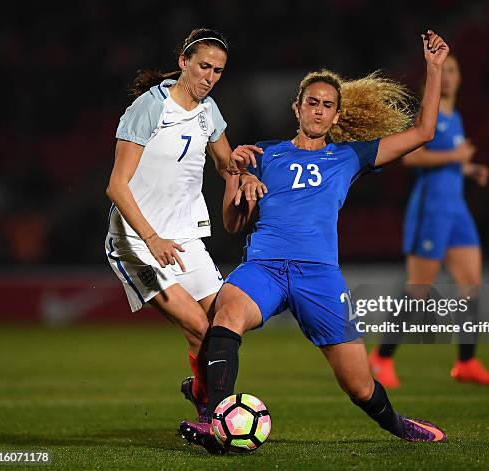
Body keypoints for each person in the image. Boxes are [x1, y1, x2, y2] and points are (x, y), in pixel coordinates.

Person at [178, 31, 451, 454]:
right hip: (265, 267)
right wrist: (239, 185)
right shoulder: (261, 155)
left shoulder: (349, 156)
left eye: (327, 105)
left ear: (337, 115)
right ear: (297, 107)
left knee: (359, 386)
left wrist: (433, 69)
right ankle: (215, 418)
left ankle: (399, 425)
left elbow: (424, 131)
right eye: (312, 102)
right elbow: (232, 224)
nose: (319, 111)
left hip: (319, 276)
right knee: (225, 316)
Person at [104, 28, 264, 422]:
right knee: (197, 324)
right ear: (183, 63)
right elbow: (116, 186)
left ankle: (199, 391)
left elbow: (224, 162)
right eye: (204, 67)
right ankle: (211, 414)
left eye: (218, 71)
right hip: (137, 241)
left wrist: (238, 166)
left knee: (224, 325)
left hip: (185, 239)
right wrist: (151, 238)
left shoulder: (209, 111)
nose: (209, 77)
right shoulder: (149, 108)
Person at [368, 54, 489, 388]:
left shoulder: (454, 116)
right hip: (431, 210)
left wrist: (469, 169)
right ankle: (381, 358)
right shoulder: (427, 117)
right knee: (418, 288)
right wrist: (457, 157)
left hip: (456, 210)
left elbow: (448, 162)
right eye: (447, 70)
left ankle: (467, 362)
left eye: (456, 70)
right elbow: (411, 157)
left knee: (471, 282)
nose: (451, 76)